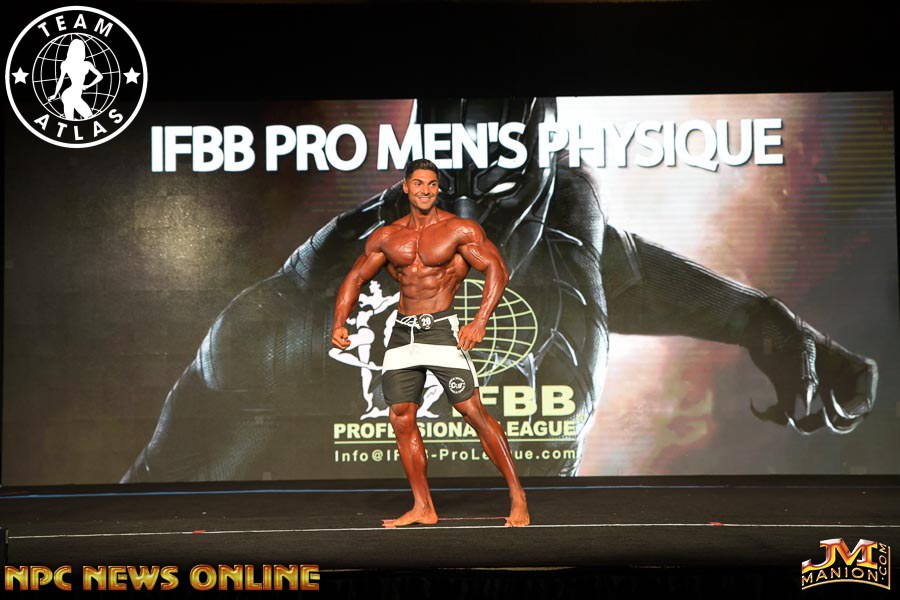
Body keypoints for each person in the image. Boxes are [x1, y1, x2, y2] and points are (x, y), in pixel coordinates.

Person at [122, 97, 877, 484]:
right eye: (442, 188)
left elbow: (625, 274)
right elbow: (155, 509)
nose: (465, 222)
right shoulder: (298, 312)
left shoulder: (569, 228)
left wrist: (761, 321)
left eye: (500, 187)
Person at [331, 159, 530, 527]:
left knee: (472, 411)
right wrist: (339, 322)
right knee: (401, 416)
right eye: (419, 183)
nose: (425, 190)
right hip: (401, 333)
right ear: (406, 187)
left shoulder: (459, 230)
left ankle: (518, 496)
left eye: (432, 184)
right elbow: (356, 277)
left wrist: (480, 321)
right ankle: (423, 506)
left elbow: (496, 269)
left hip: (440, 329)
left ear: (439, 189)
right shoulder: (387, 236)